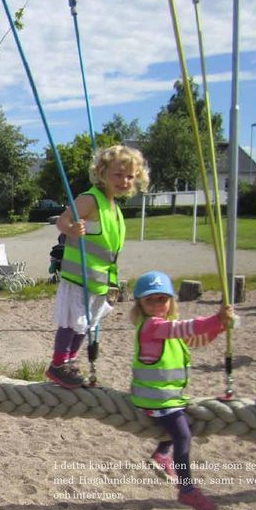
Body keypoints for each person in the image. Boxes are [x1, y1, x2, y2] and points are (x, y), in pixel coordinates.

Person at [130, 271, 235, 510]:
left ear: (170, 302)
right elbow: (189, 328)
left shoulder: (167, 330)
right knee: (183, 435)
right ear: (140, 305)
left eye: (162, 299)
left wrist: (220, 326)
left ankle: (161, 453)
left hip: (168, 399)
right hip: (156, 399)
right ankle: (186, 489)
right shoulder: (152, 326)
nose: (157, 305)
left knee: (184, 423)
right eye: (150, 300)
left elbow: (197, 339)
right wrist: (216, 316)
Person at [46, 145, 149, 387]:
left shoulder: (113, 207)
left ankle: (69, 362)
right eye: (118, 174)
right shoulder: (90, 199)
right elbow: (63, 220)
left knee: (85, 324)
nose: (124, 181)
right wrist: (71, 228)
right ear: (102, 173)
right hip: (78, 277)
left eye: (130, 176)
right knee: (72, 321)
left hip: (98, 281)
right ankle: (58, 363)